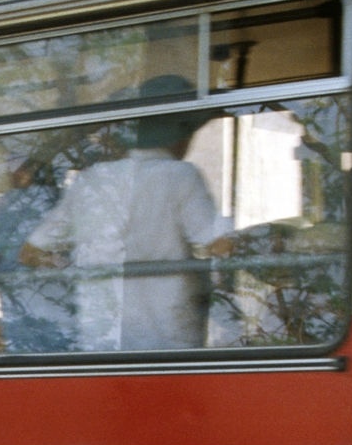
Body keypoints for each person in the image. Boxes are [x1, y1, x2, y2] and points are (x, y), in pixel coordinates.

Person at [19, 75, 235, 351]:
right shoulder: (180, 176)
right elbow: (220, 244)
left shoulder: (91, 180)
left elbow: (30, 252)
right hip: (167, 331)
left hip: (99, 331)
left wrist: (78, 270)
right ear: (181, 134)